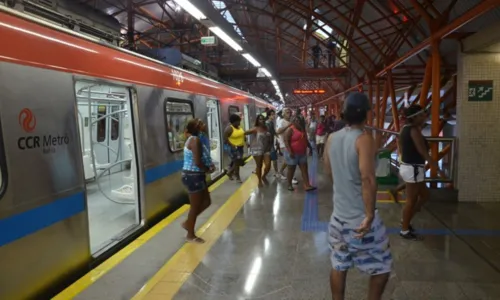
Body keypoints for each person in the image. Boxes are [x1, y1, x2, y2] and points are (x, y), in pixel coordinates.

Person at [324, 92, 392, 300]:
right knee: (382, 268)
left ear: (344, 114)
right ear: (366, 116)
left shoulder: (331, 138)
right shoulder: (364, 139)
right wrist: (369, 215)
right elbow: (368, 179)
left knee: (339, 264)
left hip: (337, 219)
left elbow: (328, 171)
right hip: (359, 220)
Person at [398, 104, 445, 240]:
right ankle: (404, 229)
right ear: (415, 117)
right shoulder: (413, 131)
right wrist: (437, 169)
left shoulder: (406, 129)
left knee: (424, 196)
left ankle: (406, 220)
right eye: (422, 115)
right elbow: (423, 152)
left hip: (410, 167)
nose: (425, 116)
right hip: (413, 168)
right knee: (411, 200)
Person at [181, 119, 214, 244]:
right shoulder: (195, 140)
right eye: (201, 124)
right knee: (195, 207)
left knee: (206, 201)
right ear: (197, 128)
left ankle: (188, 223)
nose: (205, 125)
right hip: (193, 176)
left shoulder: (195, 139)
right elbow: (197, 162)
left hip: (196, 175)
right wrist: (207, 169)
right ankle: (190, 234)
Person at [283, 116, 316, 192]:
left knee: (304, 169)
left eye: (299, 120)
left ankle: (307, 185)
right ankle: (289, 185)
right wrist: (290, 151)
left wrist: (310, 147)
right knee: (291, 169)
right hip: (292, 153)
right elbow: (286, 141)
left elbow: (305, 140)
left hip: (302, 153)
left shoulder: (302, 129)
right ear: (293, 121)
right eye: (296, 120)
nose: (298, 121)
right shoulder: (290, 129)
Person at [247, 114, 272, 187]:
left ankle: (263, 176)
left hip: (266, 149)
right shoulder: (255, 128)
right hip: (257, 149)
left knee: (268, 165)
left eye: (263, 119)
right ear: (257, 120)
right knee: (259, 165)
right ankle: (259, 180)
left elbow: (270, 138)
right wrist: (246, 142)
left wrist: (270, 146)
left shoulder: (266, 127)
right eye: (260, 119)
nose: (262, 120)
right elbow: (244, 133)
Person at [276, 108, 298, 184]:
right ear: (283, 114)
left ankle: (280, 172)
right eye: (287, 112)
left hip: (289, 143)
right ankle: (291, 177)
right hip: (283, 144)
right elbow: (278, 131)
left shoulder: (290, 121)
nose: (289, 114)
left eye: (290, 112)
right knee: (290, 161)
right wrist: (289, 125)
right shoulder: (282, 121)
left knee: (287, 160)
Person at [224, 114, 245, 183]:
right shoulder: (229, 128)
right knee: (237, 162)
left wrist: (245, 141)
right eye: (238, 121)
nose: (239, 123)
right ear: (234, 122)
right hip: (234, 148)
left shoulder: (239, 127)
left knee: (237, 162)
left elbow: (242, 134)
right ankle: (237, 176)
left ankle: (230, 172)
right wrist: (232, 145)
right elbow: (225, 139)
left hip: (240, 147)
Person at [266, 110, 280, 177]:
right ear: (268, 115)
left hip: (271, 143)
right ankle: (276, 172)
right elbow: (268, 133)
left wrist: (277, 136)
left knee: (272, 159)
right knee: (274, 159)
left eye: (274, 114)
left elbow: (273, 131)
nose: (273, 116)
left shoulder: (271, 122)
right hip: (269, 144)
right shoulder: (268, 123)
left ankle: (276, 172)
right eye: (272, 114)